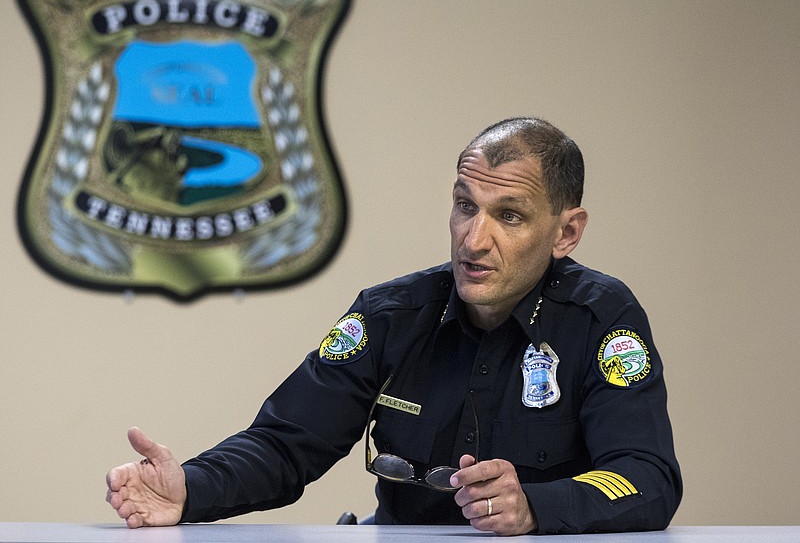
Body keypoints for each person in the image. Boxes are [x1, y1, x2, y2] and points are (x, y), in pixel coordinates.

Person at [106, 116, 682, 535]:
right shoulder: (392, 315)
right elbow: (287, 444)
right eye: (465, 206)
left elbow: (647, 477)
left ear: (566, 233)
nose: (474, 239)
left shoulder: (603, 318)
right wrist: (192, 487)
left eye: (509, 216)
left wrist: (537, 505)